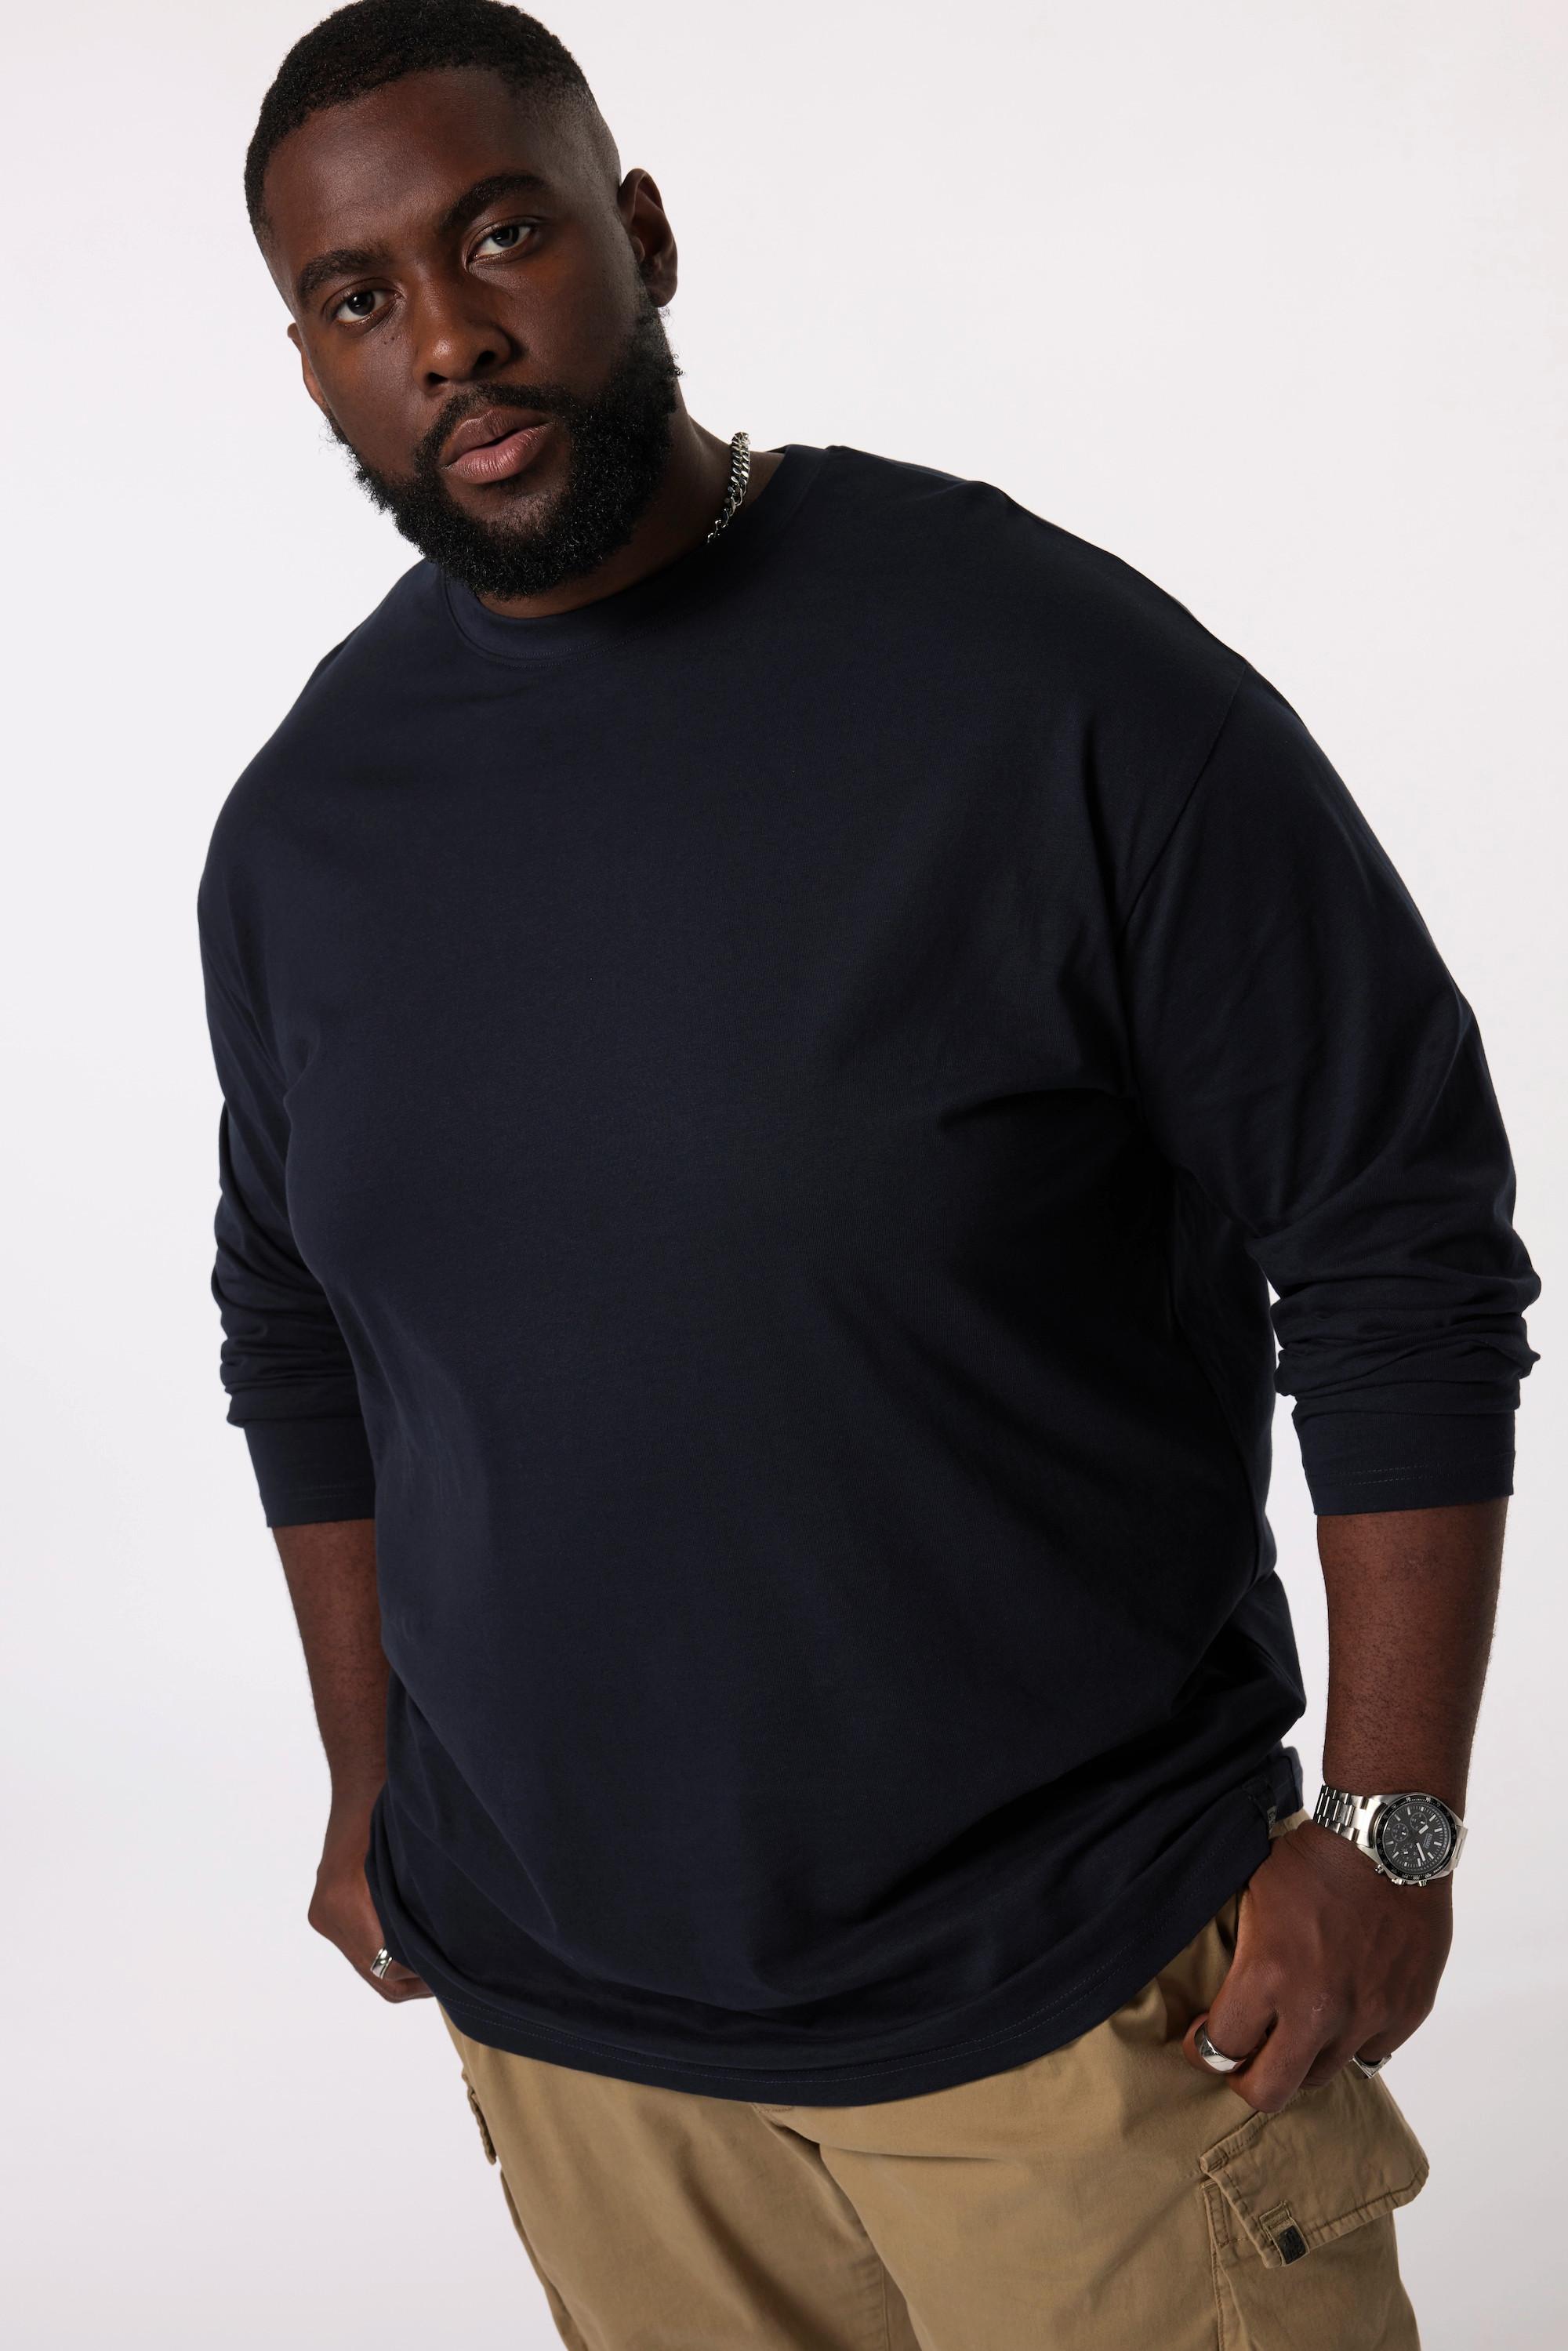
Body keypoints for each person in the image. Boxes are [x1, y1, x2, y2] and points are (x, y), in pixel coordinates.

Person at [198, 3, 1541, 2342]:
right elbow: (294, 1326)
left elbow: (1396, 1236)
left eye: (501, 236)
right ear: (311, 360)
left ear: (638, 233)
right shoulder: (307, 827)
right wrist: (370, 1783)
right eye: (356, 295)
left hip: (1092, 2019)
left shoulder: (1044, 679)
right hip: (586, 2057)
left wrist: (1394, 1823)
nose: (449, 339)